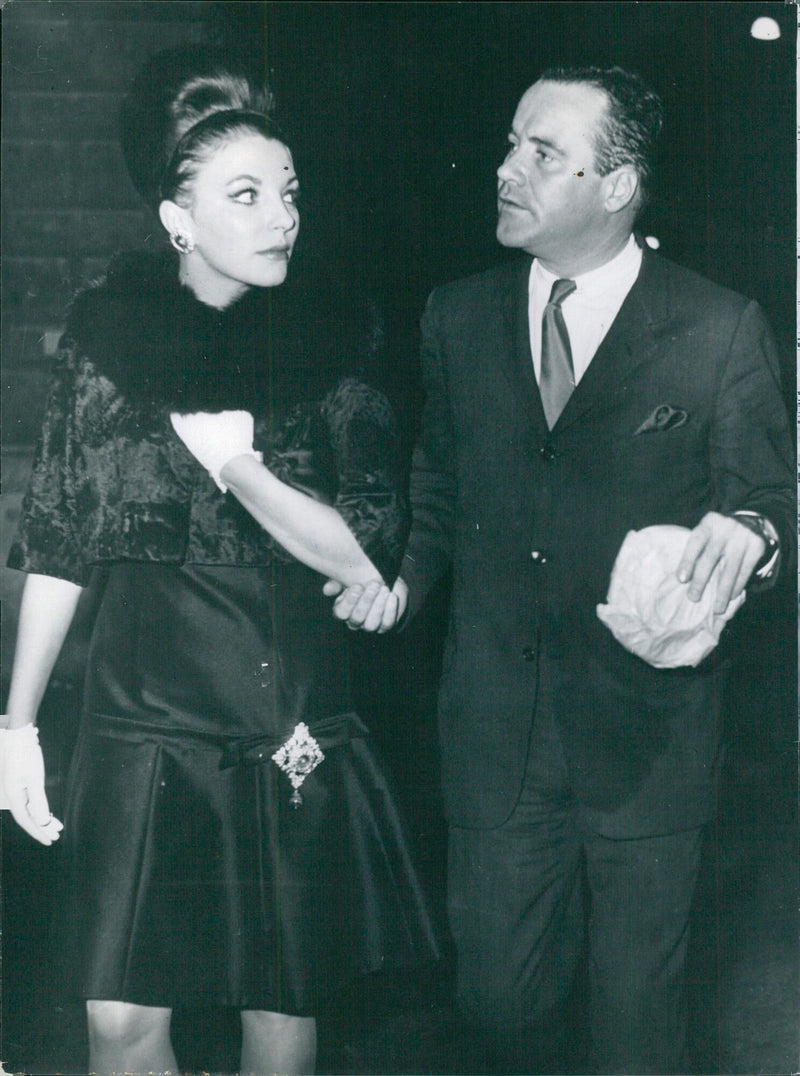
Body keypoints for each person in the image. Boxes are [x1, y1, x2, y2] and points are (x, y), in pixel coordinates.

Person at [328, 65, 794, 1073]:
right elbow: (438, 487)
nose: (505, 168)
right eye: (509, 143)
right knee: (496, 1006)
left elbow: (771, 499)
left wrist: (751, 535)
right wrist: (401, 581)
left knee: (637, 1027)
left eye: (542, 152)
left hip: (649, 744)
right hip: (494, 733)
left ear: (616, 184)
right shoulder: (454, 316)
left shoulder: (718, 329)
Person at [1, 46, 438, 1076]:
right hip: (133, 710)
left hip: (273, 702)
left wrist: (240, 468)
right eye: (245, 195)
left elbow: (364, 544)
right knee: (117, 1018)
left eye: (286, 192)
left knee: (275, 1006)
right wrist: (15, 721)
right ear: (176, 217)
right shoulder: (106, 341)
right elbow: (61, 533)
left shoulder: (335, 339)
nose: (281, 216)